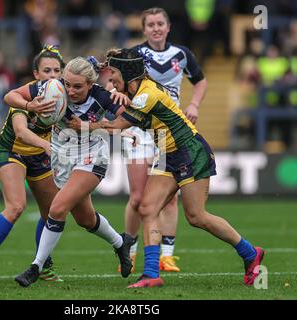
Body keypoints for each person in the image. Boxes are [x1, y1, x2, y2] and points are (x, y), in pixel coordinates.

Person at [98, 48, 264, 288]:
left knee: (196, 217)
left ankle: (251, 254)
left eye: (113, 73)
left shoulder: (147, 94)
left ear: (128, 73)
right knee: (147, 207)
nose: (110, 79)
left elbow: (116, 127)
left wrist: (83, 124)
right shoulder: (139, 92)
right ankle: (152, 274)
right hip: (168, 155)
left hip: (190, 151)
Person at [13, 57, 134, 287]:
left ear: (91, 84)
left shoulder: (102, 96)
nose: (70, 90)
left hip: (92, 157)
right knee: (85, 219)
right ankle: (121, 243)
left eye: (77, 86)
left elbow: (129, 119)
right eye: (67, 84)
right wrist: (31, 105)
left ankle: (36, 267)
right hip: (63, 157)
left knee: (57, 208)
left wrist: (90, 126)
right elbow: (10, 96)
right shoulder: (53, 88)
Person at [120, 7, 208, 273]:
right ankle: (130, 251)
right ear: (144, 29)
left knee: (170, 197)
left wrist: (193, 104)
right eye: (151, 24)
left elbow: (201, 81)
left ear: (168, 27)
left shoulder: (181, 54)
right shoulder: (134, 55)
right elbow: (118, 84)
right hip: (138, 129)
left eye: (160, 23)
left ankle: (166, 255)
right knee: (137, 197)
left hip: (167, 131)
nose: (156, 28)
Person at [0, 45, 65, 286]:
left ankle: (42, 265)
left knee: (52, 212)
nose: (52, 75)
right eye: (46, 70)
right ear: (36, 74)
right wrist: (47, 146)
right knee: (16, 206)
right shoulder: (25, 97)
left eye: (56, 70)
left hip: (39, 155)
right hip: (12, 150)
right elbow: (21, 132)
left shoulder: (64, 95)